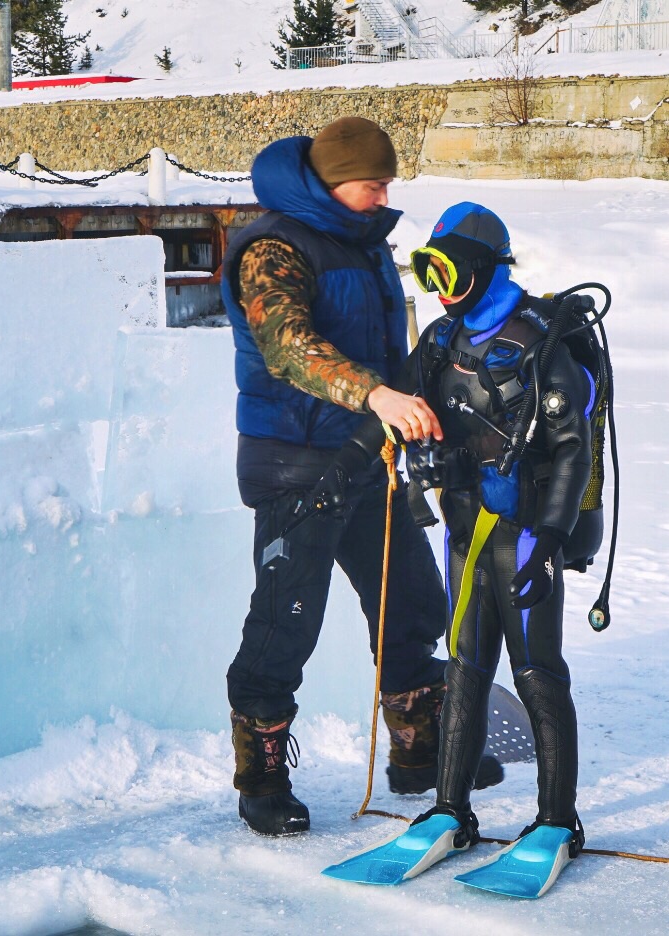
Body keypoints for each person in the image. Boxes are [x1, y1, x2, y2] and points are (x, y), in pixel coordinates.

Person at [220, 118, 501, 837]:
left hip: (369, 461)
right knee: (287, 622)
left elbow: (385, 340)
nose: (383, 195)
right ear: (333, 179)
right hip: (295, 462)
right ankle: (262, 779)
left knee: (411, 603)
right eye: (372, 184)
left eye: (386, 184)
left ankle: (416, 751)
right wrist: (375, 395)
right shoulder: (273, 246)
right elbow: (287, 344)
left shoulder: (366, 242)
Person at [320, 201, 602, 877]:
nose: (438, 283)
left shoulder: (540, 345)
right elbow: (398, 407)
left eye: (446, 267)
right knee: (466, 667)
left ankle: (558, 818)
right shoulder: (442, 343)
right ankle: (451, 807)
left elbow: (572, 449)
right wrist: (341, 469)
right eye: (427, 268)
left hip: (528, 533)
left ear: (480, 267)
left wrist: (557, 533)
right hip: (464, 531)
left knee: (537, 674)